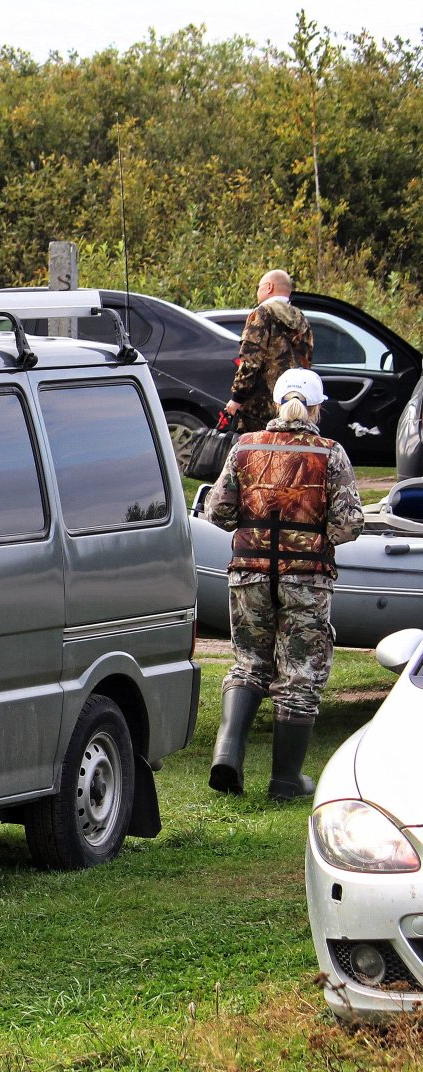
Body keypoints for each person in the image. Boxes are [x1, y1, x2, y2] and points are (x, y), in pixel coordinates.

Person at [204, 367, 363, 799]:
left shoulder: (245, 447)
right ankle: (286, 780)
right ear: (316, 408)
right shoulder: (329, 453)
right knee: (300, 674)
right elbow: (348, 525)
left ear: (276, 405)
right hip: (305, 580)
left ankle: (226, 758)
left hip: (248, 574)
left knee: (249, 663)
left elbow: (218, 513)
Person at [223, 269, 314, 434]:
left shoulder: (261, 313)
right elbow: (307, 361)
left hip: (259, 406)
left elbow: (250, 360)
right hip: (292, 402)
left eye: (259, 287)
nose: (257, 292)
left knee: (256, 453)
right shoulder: (301, 318)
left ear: (269, 287)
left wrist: (237, 397)